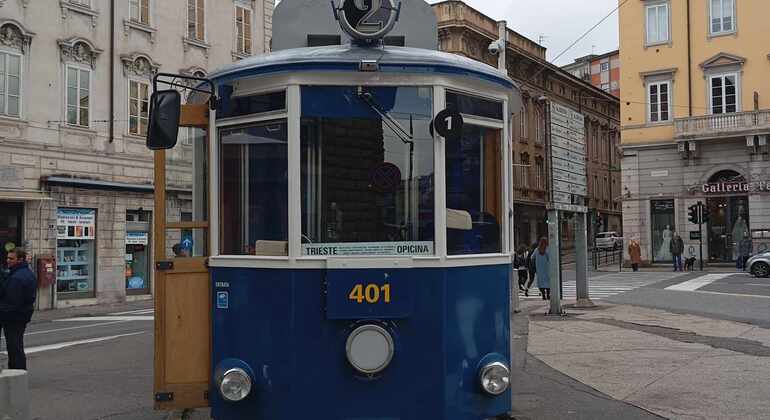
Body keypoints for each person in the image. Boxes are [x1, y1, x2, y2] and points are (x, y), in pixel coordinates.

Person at [0, 248, 37, 370]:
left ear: (20, 259)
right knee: (16, 346)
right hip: (22, 315)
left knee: (14, 347)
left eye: (11, 258)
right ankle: (18, 372)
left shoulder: (17, 277)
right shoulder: (27, 273)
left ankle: (17, 373)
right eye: (7, 257)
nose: (8, 260)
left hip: (13, 317)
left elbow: (12, 302)